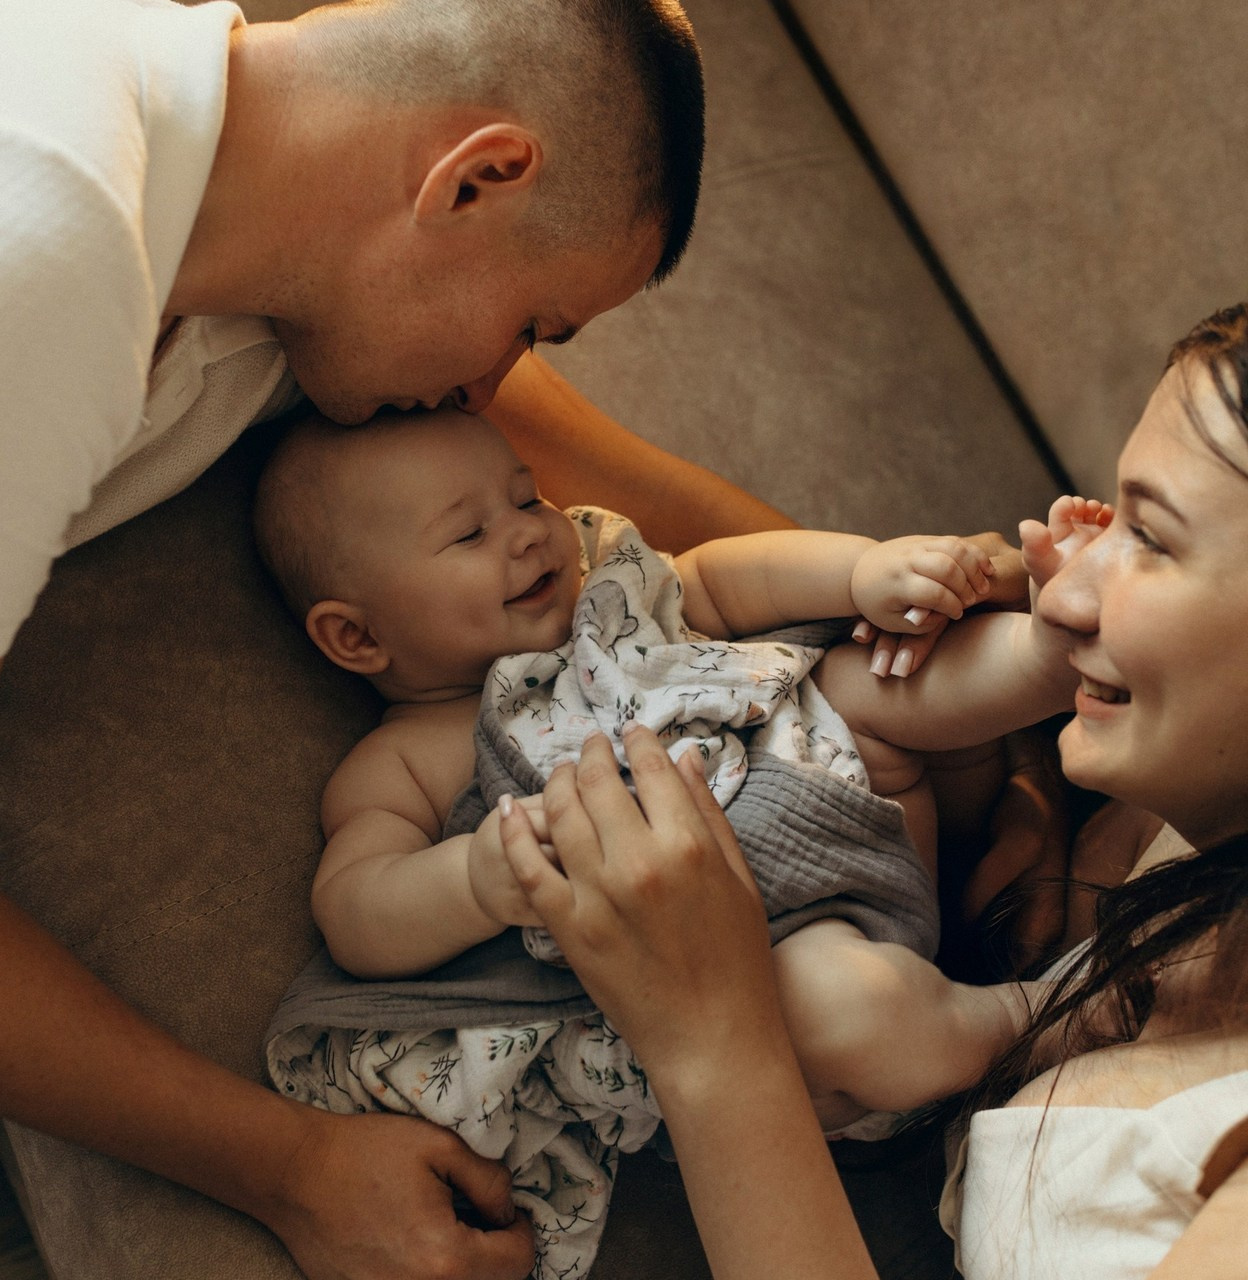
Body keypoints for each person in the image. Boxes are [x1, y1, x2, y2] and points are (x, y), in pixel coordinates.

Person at [0, 0, 792, 1274]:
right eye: (531, 321)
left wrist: (916, 637)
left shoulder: (276, 242)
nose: (490, 389)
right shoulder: (43, 245)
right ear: (477, 178)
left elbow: (649, 503)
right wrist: (287, 1164)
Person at [496, 304, 1248, 1279]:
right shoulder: (1176, 805)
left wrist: (715, 1046)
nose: (1059, 595)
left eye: (1148, 536)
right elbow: (721, 622)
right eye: (1112, 520)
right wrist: (1005, 746)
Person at [252, 403, 1099, 1130]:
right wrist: (475, 882)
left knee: (879, 669)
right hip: (774, 955)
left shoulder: (612, 600)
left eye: (525, 495)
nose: (526, 532)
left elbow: (733, 572)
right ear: (357, 636)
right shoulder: (404, 761)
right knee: (846, 1015)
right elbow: (354, 911)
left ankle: (1062, 652)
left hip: (855, 781)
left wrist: (861, 570)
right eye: (470, 533)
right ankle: (1044, 1013)